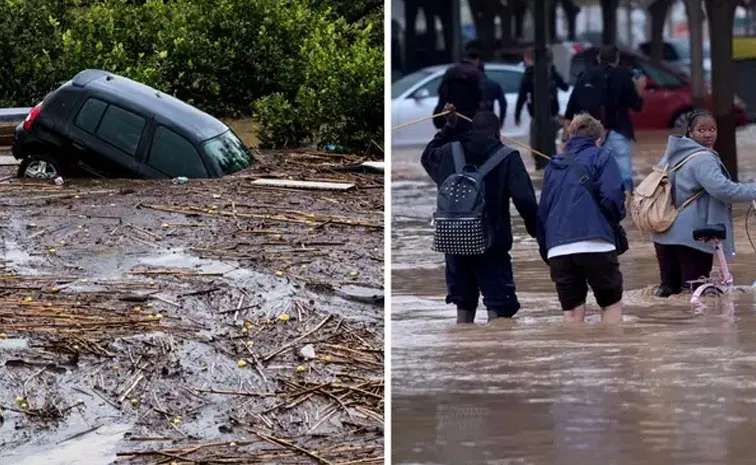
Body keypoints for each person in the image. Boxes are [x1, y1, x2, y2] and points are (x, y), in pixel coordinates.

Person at [421, 110, 539, 324]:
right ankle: (494, 352)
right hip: (492, 246)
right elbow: (526, 201)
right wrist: (537, 232)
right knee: (500, 309)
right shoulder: (508, 157)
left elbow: (427, 156)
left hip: (454, 243)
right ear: (497, 133)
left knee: (464, 305)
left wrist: (447, 129)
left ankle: (465, 350)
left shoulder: (448, 151)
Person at [651, 109, 756, 297]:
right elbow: (724, 190)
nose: (708, 134)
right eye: (702, 130)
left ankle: (663, 325)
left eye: (712, 129)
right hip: (693, 237)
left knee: (669, 294)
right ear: (690, 132)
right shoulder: (703, 158)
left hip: (663, 233)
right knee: (693, 291)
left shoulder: (672, 155)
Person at [537, 113, 626, 324]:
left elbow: (543, 211)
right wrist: (614, 220)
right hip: (597, 245)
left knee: (572, 315)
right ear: (599, 140)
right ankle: (612, 354)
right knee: (611, 305)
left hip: (559, 249)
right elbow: (613, 196)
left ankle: (575, 354)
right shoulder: (602, 157)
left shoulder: (553, 165)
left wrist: (547, 249)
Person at [564, 44, 646, 192]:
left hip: (589, 133)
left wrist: (567, 136)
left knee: (591, 170)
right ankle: (625, 206)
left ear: (598, 58)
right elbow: (637, 105)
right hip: (617, 130)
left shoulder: (585, 75)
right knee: (623, 172)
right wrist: (639, 89)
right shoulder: (622, 75)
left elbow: (571, 107)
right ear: (617, 59)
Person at [515, 46, 570, 170]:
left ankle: (547, 166)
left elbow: (564, 86)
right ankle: (543, 165)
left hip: (548, 115)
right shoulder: (530, 74)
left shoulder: (549, 73)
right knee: (539, 144)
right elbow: (522, 95)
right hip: (540, 115)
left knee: (545, 143)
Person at [432, 47, 485, 134]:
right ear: (477, 60)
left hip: (451, 116)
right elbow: (481, 97)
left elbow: (442, 93)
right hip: (469, 118)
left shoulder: (450, 71)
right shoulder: (476, 74)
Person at [479, 62, 507, 128]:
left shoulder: (469, 85)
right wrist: (501, 121)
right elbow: (503, 105)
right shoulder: (494, 85)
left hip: (472, 120)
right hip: (489, 120)